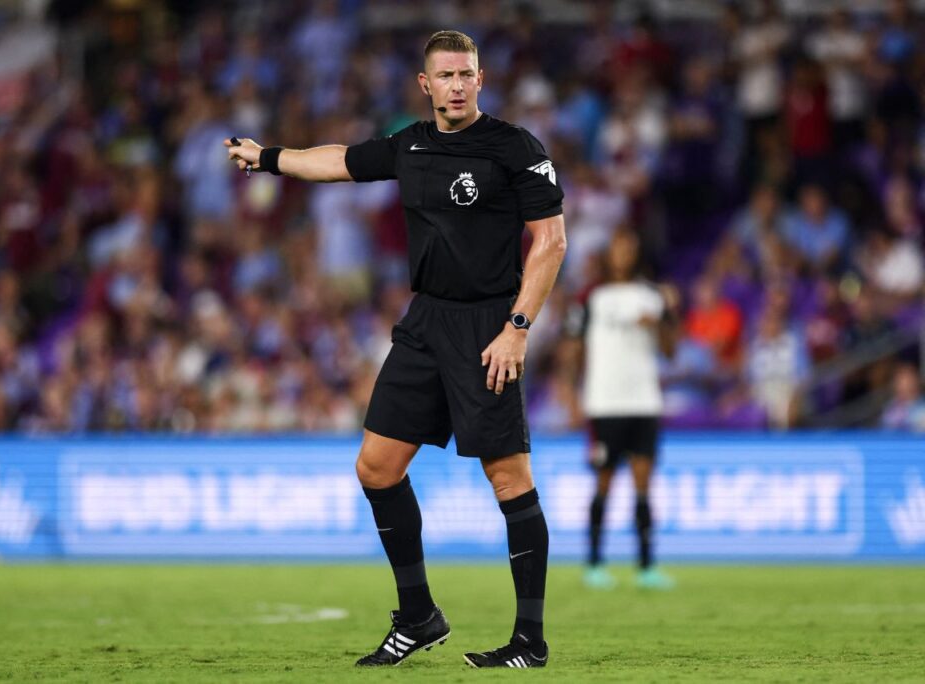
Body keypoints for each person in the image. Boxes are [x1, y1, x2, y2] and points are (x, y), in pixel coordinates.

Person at [225, 30, 566, 669]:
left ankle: (530, 640)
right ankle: (418, 614)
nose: (457, 85)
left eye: (467, 74)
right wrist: (268, 158)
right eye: (446, 76)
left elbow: (550, 242)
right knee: (376, 466)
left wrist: (517, 328)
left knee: (508, 477)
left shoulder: (515, 148)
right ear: (426, 84)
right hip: (425, 322)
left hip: (488, 324)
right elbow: (338, 161)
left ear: (480, 79)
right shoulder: (409, 144)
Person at [566, 229, 678, 590]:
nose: (624, 253)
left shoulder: (653, 296)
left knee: (643, 484)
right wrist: (570, 394)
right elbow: (573, 348)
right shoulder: (591, 297)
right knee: (604, 481)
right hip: (605, 402)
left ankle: (646, 566)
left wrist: (661, 321)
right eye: (618, 246)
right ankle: (595, 563)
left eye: (630, 246)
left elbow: (671, 351)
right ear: (608, 252)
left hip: (644, 400)